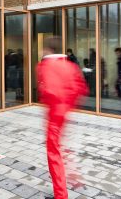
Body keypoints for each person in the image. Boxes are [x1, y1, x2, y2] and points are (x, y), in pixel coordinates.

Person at [37, 37, 88, 199]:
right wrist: (67, 105)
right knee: (59, 149)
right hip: (64, 113)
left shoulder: (46, 66)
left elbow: (48, 91)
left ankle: (61, 194)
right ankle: (69, 179)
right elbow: (81, 88)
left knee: (53, 153)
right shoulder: (70, 66)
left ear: (48, 49)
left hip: (54, 115)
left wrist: (52, 104)